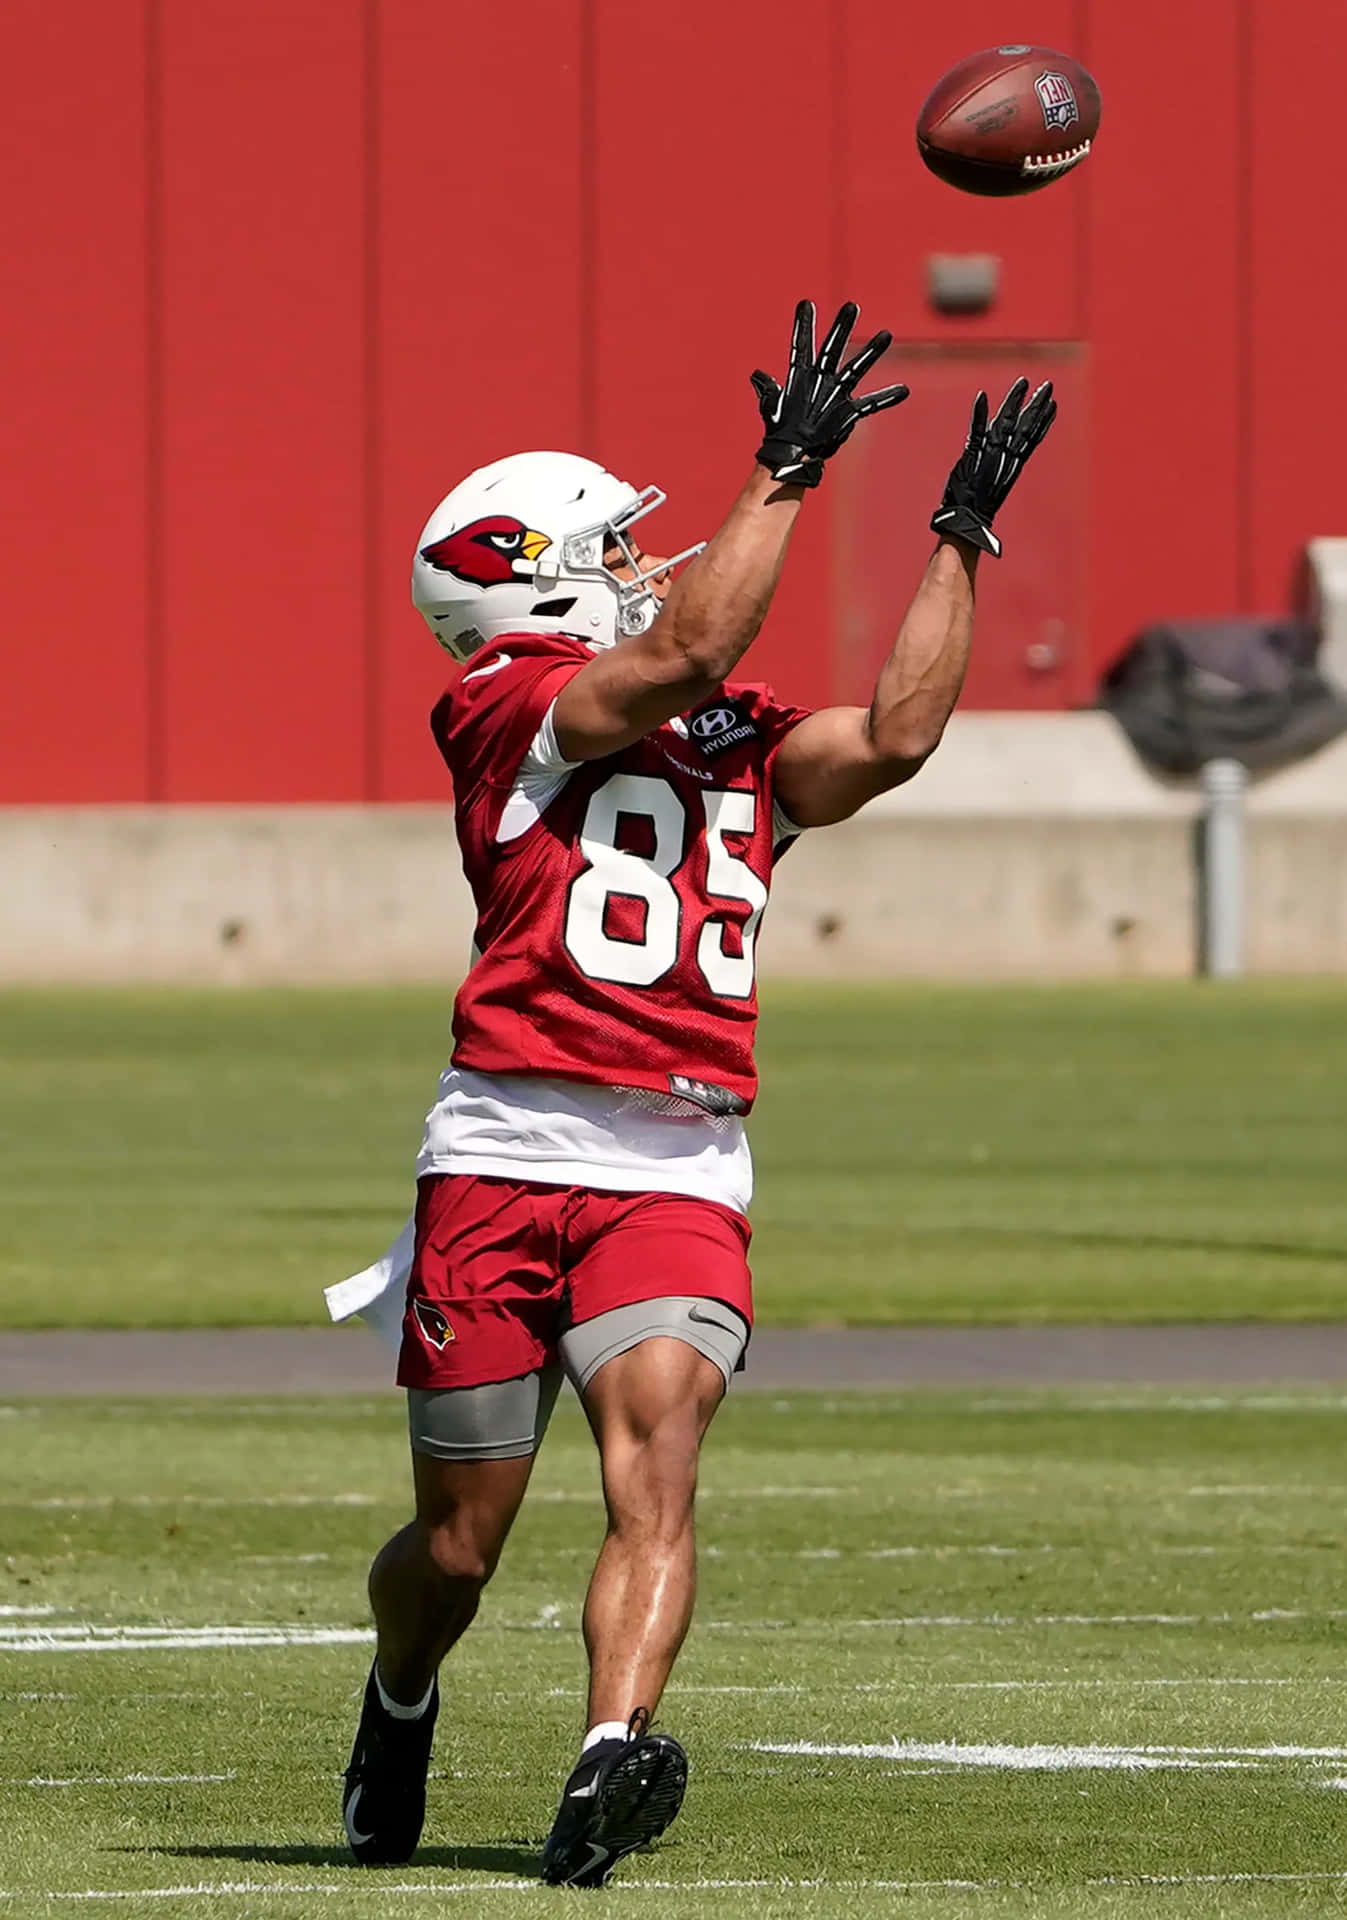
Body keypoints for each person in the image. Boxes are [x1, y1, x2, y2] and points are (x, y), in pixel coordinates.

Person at [335, 300, 1056, 1887]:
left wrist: (956, 541)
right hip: (507, 1145)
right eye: (603, 548)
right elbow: (688, 648)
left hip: (680, 1155)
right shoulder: (506, 707)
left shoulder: (723, 733)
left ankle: (608, 1757)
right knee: (457, 1546)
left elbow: (901, 738)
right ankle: (401, 1692)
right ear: (525, 583)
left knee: (656, 1460)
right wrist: (783, 473)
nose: (636, 566)